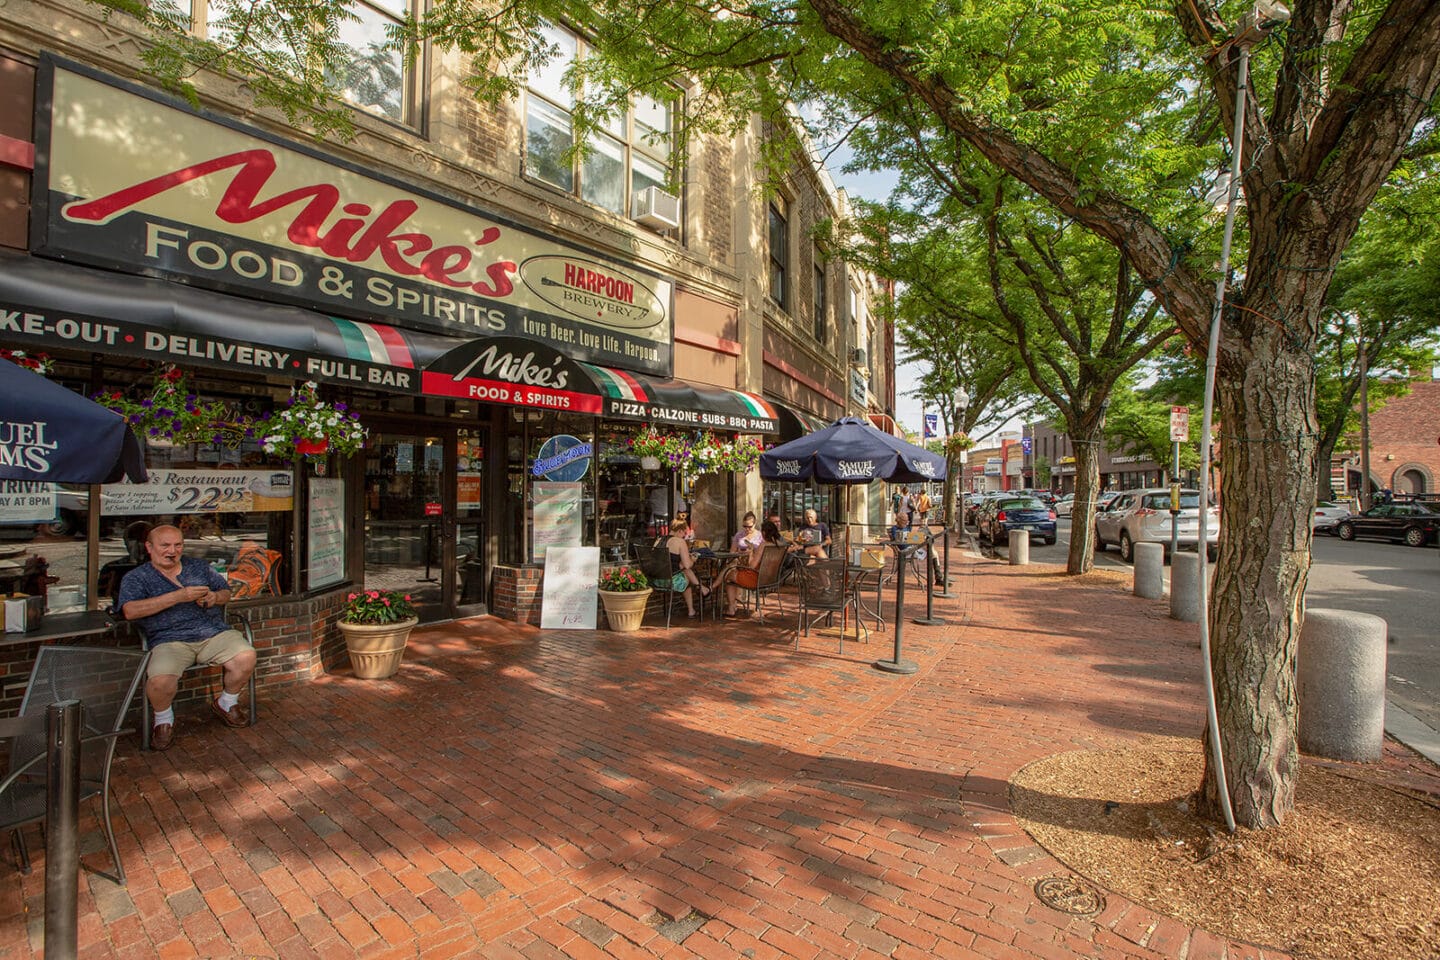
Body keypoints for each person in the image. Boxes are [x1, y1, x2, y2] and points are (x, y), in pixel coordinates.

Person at [117, 524, 257, 751]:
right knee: (160, 681)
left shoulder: (199, 567)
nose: (172, 551)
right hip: (168, 640)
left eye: (177, 545)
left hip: (211, 632)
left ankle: (226, 702)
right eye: (165, 545)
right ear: (149, 547)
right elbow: (130, 611)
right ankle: (163, 721)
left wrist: (213, 597)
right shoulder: (137, 577)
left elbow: (226, 593)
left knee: (246, 656)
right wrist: (177, 597)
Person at [723, 519, 782, 618]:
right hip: (770, 579)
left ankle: (731, 608)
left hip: (756, 579)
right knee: (732, 573)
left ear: (763, 532)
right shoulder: (780, 545)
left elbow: (752, 566)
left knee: (728, 575)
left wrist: (750, 553)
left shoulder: (763, 546)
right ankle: (733, 605)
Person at [663, 517, 710, 617]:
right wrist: (693, 559)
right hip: (670, 582)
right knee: (685, 573)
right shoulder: (679, 542)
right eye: (684, 533)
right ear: (679, 531)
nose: (685, 536)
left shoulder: (659, 539)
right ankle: (699, 593)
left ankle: (702, 590)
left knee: (682, 567)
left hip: (655, 580)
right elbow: (688, 565)